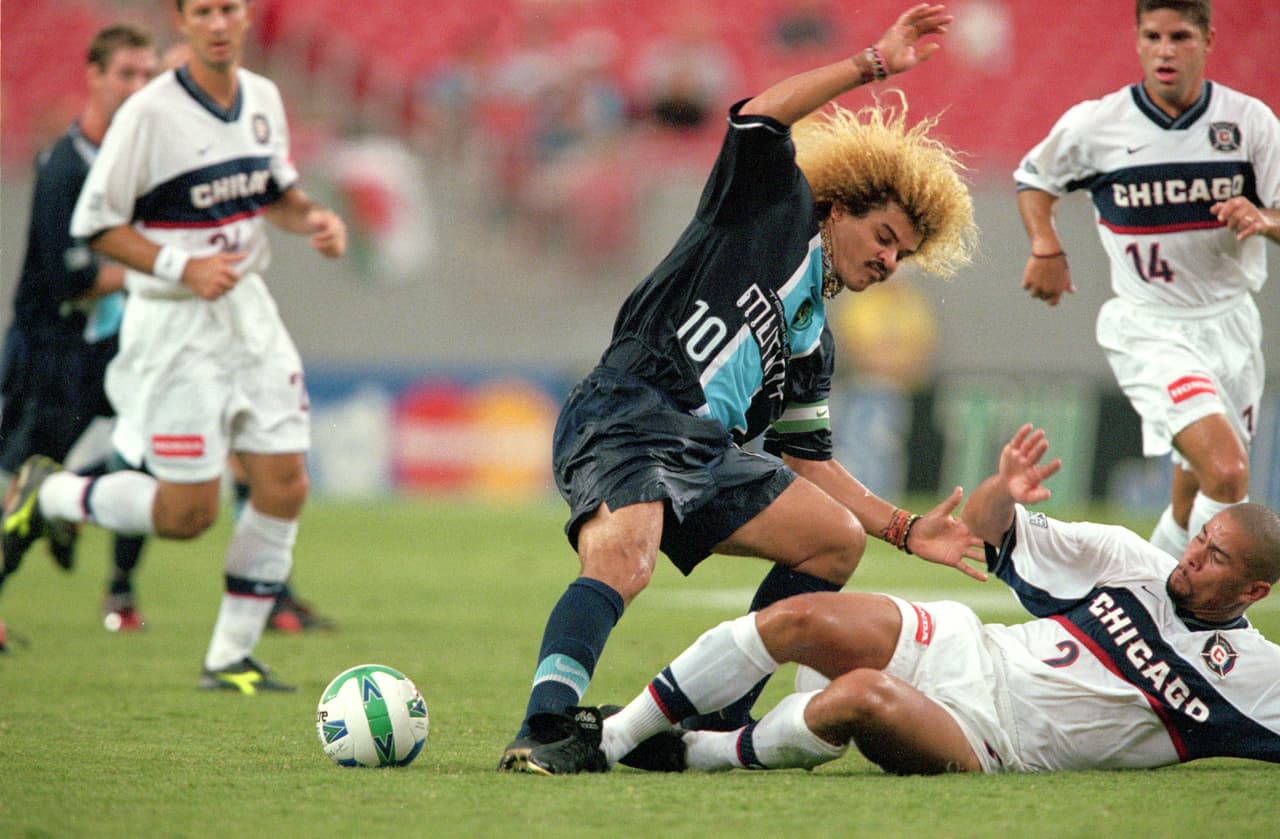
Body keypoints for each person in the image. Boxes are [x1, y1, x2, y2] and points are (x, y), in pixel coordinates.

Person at [497, 3, 983, 773]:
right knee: (626, 557)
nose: (890, 261)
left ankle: (704, 719)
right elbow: (758, 117)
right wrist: (872, 65)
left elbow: (809, 459)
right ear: (838, 205)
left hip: (704, 452)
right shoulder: (770, 203)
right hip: (630, 407)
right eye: (885, 236)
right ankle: (545, 726)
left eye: (905, 255)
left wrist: (901, 526)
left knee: (833, 539)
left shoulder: (815, 339)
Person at [534, 423, 1280, 775]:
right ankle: (610, 738)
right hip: (967, 645)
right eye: (1199, 537)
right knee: (798, 618)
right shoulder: (1131, 560)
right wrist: (1000, 489)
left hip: (992, 739)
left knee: (861, 698)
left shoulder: (1251, 675)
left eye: (1215, 557)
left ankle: (700, 755)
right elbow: (990, 530)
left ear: (1253, 590)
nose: (1192, 557)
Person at [1, 0, 347, 691]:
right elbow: (96, 224)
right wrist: (180, 266)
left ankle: (229, 657)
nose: (219, 24)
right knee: (189, 514)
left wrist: (311, 216)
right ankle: (56, 494)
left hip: (249, 312)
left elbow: (271, 191)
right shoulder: (150, 113)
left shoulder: (265, 98)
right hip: (174, 325)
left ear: (247, 18)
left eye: (230, 9)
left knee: (285, 482)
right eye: (203, 11)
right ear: (182, 22)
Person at [1014, 0, 1280, 558]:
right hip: (1150, 327)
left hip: (1231, 324)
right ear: (1136, 41)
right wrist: (1046, 243)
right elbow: (1036, 179)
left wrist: (1263, 220)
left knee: (1192, 495)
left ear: (1207, 42)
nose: (1165, 50)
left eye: (1180, 37)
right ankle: (1191, 609)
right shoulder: (1097, 125)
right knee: (1228, 475)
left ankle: (1153, 588)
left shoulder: (1250, 122)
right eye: (1153, 36)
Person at [0, 24, 159, 648]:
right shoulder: (66, 165)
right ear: (93, 75)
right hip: (52, 354)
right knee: (20, 480)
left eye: (147, 76)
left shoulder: (134, 164)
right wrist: (160, 268)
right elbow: (69, 275)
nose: (139, 86)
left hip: (112, 350)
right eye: (126, 74)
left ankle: (116, 583)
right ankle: (59, 507)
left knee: (149, 454)